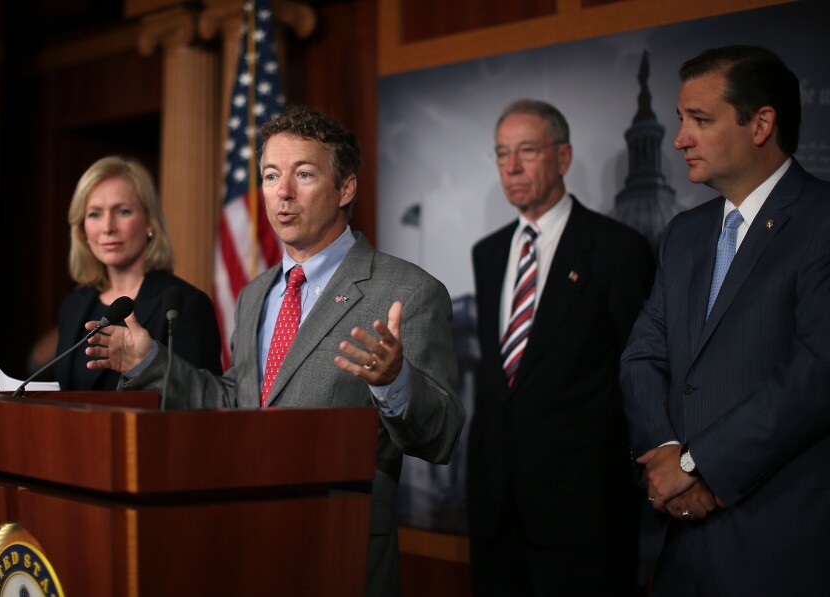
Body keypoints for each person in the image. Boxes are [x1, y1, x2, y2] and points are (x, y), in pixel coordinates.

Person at [83, 106, 464, 597]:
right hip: (243, 540)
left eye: (303, 174)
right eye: (270, 175)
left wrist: (395, 381)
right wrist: (150, 362)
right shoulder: (255, 293)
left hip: (337, 551)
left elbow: (443, 436)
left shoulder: (407, 290)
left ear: (345, 188)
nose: (282, 192)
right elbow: (234, 403)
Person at [621, 45, 830, 595]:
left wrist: (699, 465)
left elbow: (816, 374)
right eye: (680, 120)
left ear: (761, 123)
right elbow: (643, 354)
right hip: (674, 541)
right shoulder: (685, 234)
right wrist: (667, 455)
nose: (680, 139)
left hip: (775, 542)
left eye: (700, 120)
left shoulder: (822, 222)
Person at [467, 99, 653, 595]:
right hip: (495, 511)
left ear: (563, 157)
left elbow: (640, 375)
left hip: (584, 516)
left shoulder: (617, 250)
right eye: (502, 153)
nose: (511, 167)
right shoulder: (486, 254)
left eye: (527, 150)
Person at [57, 156, 222, 390]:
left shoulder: (187, 305)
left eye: (122, 211)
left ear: (150, 223)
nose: (108, 227)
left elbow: (204, 401)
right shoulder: (73, 306)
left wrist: (144, 363)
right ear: (82, 229)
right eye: (94, 214)